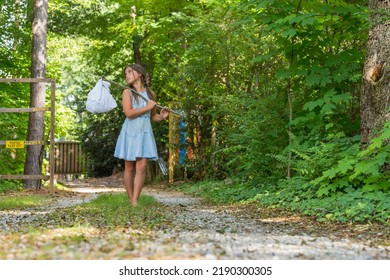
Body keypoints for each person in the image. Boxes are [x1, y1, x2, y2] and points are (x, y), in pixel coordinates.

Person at [114, 64, 169, 205]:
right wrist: (147, 107)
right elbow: (129, 113)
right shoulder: (127, 92)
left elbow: (152, 116)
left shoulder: (150, 94)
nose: (126, 75)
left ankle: (135, 200)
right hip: (131, 131)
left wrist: (161, 116)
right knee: (130, 167)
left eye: (129, 72)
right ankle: (130, 199)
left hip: (144, 132)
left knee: (141, 166)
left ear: (139, 73)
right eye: (125, 73)